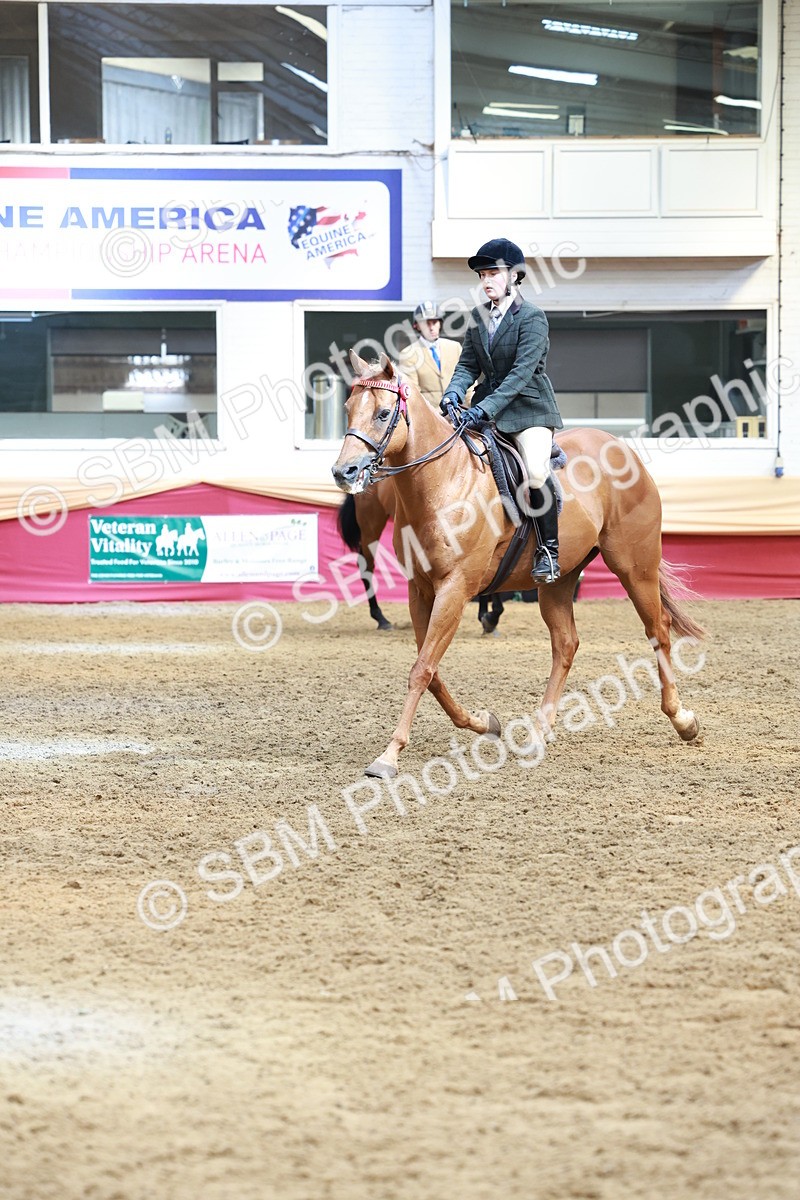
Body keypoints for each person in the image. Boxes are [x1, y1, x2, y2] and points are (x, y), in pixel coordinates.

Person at [441, 238, 564, 584]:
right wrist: (453, 393)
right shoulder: (477, 317)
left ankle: (548, 551)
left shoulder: (533, 317)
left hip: (528, 410)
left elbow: (520, 375)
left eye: (493, 273)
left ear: (514, 275)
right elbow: (467, 365)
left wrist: (481, 409)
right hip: (486, 410)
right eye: (482, 275)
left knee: (535, 470)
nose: (486, 281)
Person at [398, 301, 465, 409]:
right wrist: (438, 414)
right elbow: (414, 393)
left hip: (460, 412)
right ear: (416, 326)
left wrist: (472, 408)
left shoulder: (455, 347)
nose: (431, 327)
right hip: (429, 415)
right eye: (426, 323)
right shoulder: (408, 354)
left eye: (434, 322)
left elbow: (467, 384)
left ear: (440, 323)